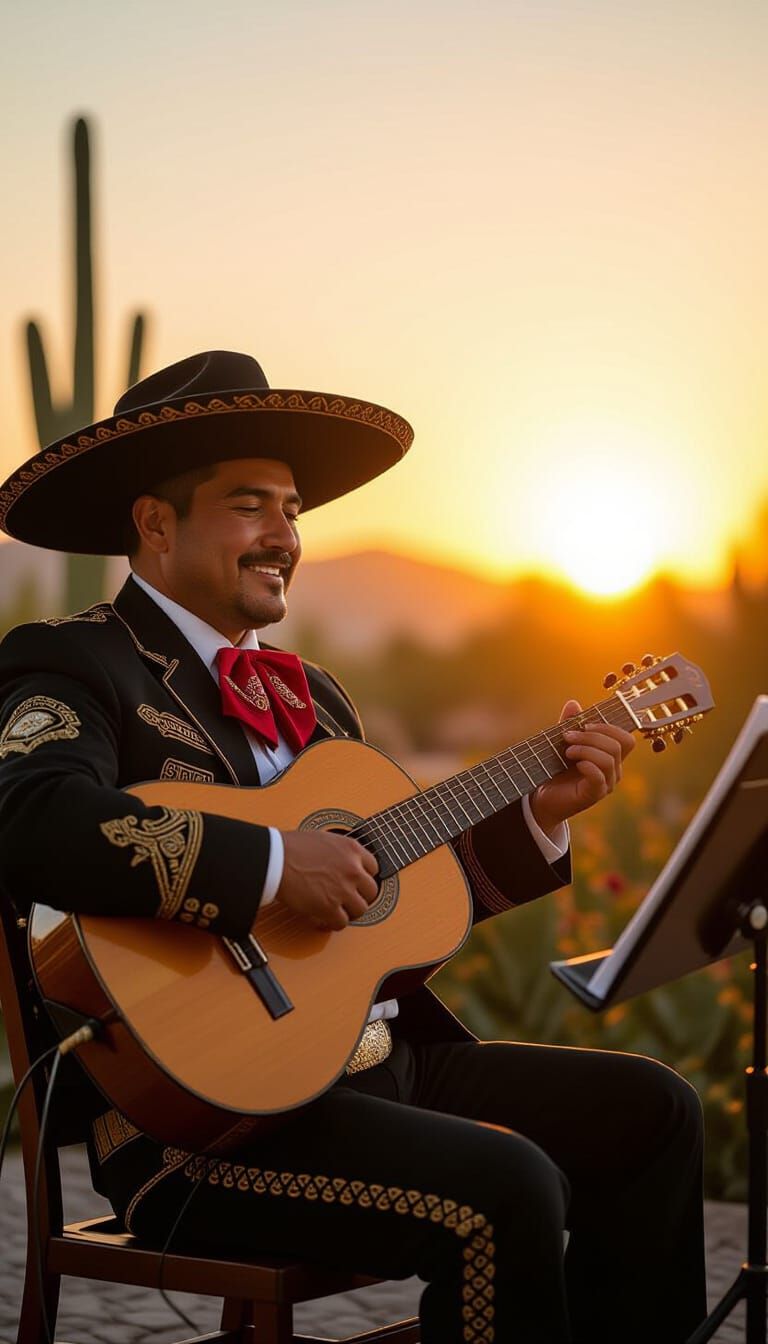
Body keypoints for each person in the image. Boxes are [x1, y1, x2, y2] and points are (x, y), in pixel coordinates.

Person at [0, 351, 705, 1343]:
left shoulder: (314, 693)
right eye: (250, 506)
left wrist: (539, 811)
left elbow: (387, 896)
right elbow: (28, 821)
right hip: (196, 1127)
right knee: (506, 1186)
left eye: (292, 510)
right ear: (155, 524)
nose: (284, 536)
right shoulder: (76, 663)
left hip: (371, 1063)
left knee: (654, 1111)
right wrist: (279, 866)